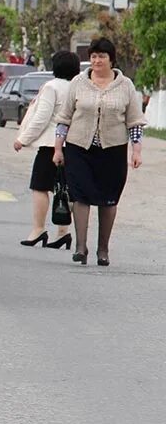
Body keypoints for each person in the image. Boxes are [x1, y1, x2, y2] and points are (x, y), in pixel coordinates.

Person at [53, 38, 145, 267]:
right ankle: (80, 247)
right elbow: (64, 118)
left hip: (112, 149)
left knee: (109, 198)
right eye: (93, 56)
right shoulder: (78, 82)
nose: (96, 61)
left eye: (101, 56)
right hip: (79, 147)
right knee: (80, 195)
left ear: (111, 59)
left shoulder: (125, 85)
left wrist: (136, 150)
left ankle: (103, 249)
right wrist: (58, 148)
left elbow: (134, 122)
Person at [13, 51, 81, 249]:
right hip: (73, 145)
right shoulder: (77, 87)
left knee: (40, 186)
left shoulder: (52, 87)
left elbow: (42, 117)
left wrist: (22, 140)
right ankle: (63, 233)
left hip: (51, 145)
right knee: (65, 189)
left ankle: (38, 229)